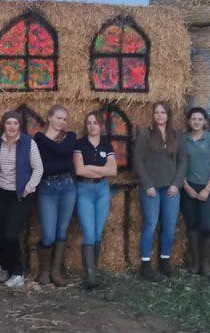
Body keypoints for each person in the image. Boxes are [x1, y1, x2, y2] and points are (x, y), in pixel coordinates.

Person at [134, 102, 188, 281]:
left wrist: (176, 184)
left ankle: (165, 261)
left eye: (163, 112)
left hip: (171, 189)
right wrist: (147, 184)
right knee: (150, 225)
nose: (159, 115)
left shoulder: (177, 135)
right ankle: (146, 265)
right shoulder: (145, 134)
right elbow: (138, 161)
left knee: (170, 226)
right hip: (151, 189)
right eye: (156, 112)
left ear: (168, 115)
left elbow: (183, 161)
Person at [0, 111, 42, 288]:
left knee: (11, 233)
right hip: (0, 192)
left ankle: (18, 272)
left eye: (16, 124)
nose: (12, 127)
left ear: (20, 126)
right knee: (2, 233)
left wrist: (30, 186)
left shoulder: (28, 143)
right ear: (3, 125)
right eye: (9, 123)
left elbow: (38, 168)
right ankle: (4, 267)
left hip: (20, 194)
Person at [32, 104, 78, 286]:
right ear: (49, 117)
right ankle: (43, 269)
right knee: (49, 235)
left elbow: (64, 155)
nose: (62, 122)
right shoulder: (38, 138)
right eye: (58, 118)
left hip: (68, 187)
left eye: (65, 119)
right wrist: (58, 162)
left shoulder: (70, 136)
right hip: (48, 189)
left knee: (61, 231)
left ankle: (55, 271)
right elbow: (41, 168)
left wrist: (48, 149)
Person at [73, 112, 118, 288]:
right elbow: (79, 170)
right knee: (89, 232)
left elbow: (113, 171)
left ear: (101, 126)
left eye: (95, 123)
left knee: (98, 232)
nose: (92, 126)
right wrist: (101, 169)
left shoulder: (107, 144)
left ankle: (94, 269)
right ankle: (90, 275)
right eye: (89, 123)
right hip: (84, 189)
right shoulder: (80, 144)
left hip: (102, 190)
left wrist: (90, 167)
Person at [180, 107, 210, 276]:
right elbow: (179, 166)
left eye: (199, 119)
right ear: (189, 121)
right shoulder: (183, 140)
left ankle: (206, 263)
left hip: (207, 187)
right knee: (192, 225)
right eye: (193, 119)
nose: (196, 122)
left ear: (205, 121)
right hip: (189, 187)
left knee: (208, 226)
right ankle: (195, 262)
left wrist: (208, 189)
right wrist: (186, 187)